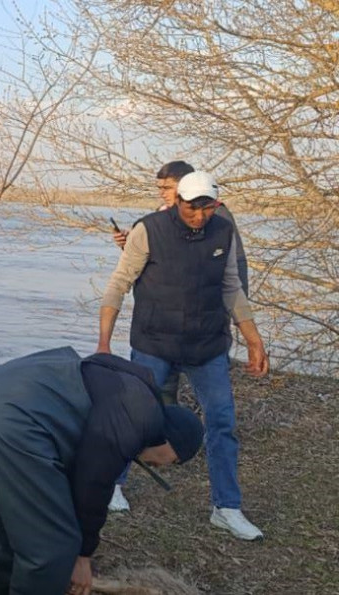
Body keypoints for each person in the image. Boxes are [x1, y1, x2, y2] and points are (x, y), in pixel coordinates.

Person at [97, 171, 269, 538]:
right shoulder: (149, 229)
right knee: (133, 417)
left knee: (222, 421)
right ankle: (112, 486)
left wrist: (253, 338)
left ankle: (226, 507)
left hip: (207, 346)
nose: (200, 216)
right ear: (178, 202)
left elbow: (231, 288)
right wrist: (103, 343)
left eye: (208, 208)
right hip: (154, 343)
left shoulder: (223, 232)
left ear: (216, 204)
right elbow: (119, 283)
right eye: (193, 208)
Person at [0, 347, 204, 595]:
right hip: (13, 419)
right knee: (52, 549)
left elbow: (75, 475)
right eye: (173, 462)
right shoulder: (142, 415)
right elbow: (95, 480)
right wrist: (82, 555)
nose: (163, 467)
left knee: (11, 532)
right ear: (174, 441)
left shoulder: (126, 391)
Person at [113, 161, 251, 408]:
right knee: (161, 388)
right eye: (159, 187)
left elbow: (233, 270)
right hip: (162, 327)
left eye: (167, 187)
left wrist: (234, 318)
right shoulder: (160, 215)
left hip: (206, 322)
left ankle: (186, 425)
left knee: (212, 391)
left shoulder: (215, 215)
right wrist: (129, 244)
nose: (161, 192)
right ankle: (168, 431)